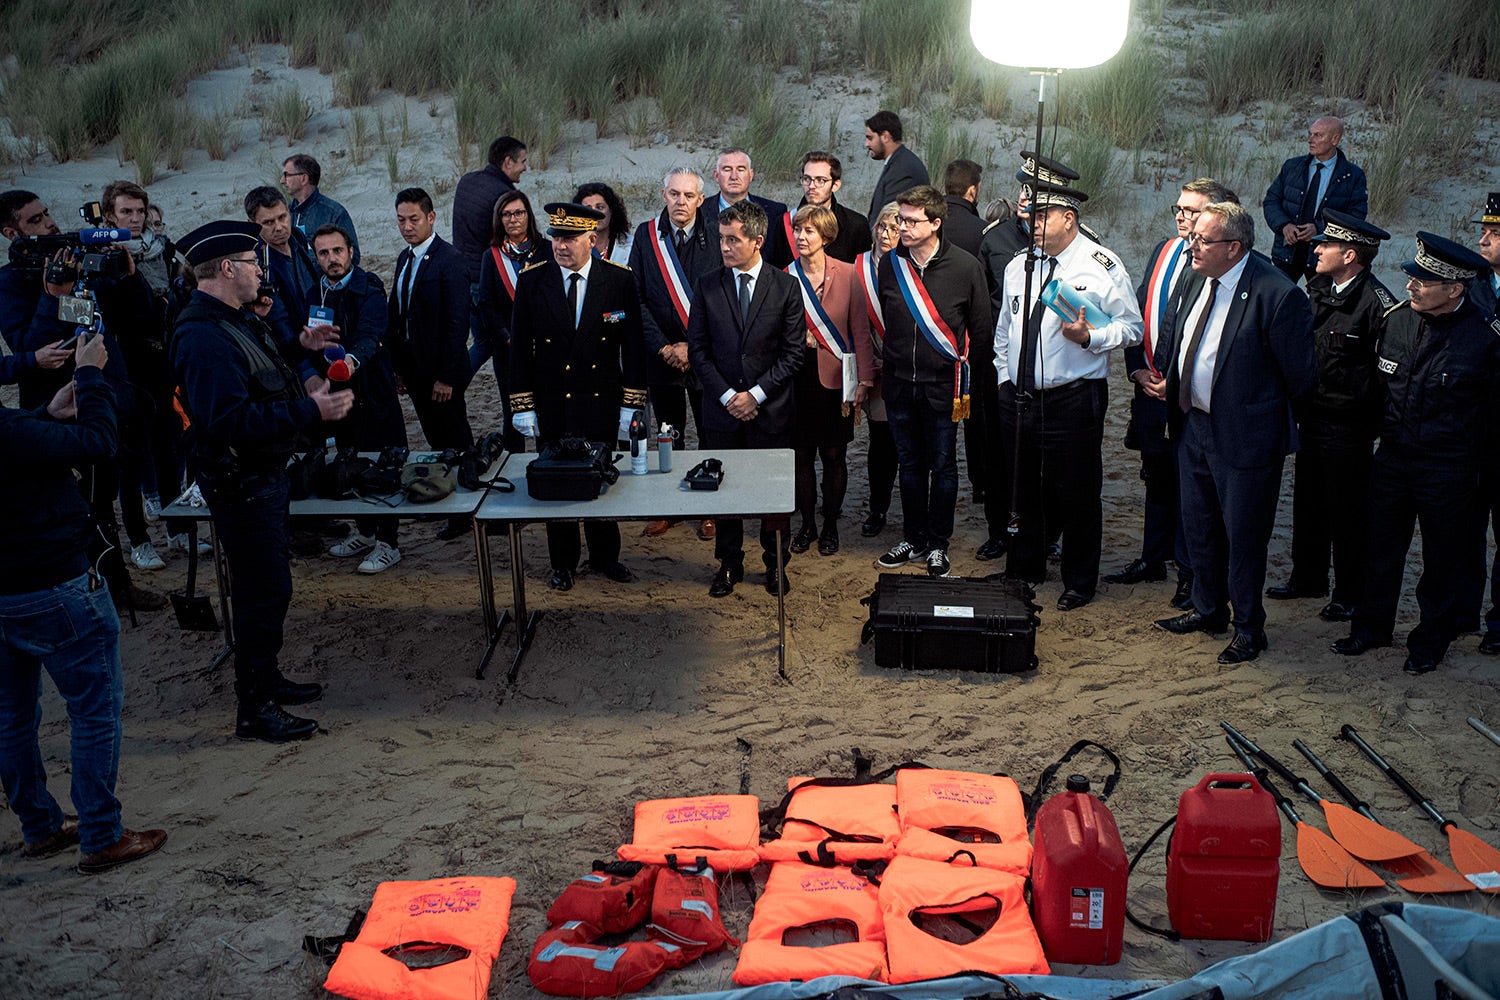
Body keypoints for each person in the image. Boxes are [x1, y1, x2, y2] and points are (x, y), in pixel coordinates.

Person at [171, 219, 354, 741]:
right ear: (227, 268)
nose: (260, 273)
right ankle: (254, 707)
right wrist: (310, 410)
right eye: (253, 264)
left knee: (270, 589)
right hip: (240, 483)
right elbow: (228, 421)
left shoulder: (233, 319)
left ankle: (268, 681)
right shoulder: (203, 336)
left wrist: (299, 340)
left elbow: (264, 373)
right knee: (261, 594)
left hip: (262, 478)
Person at [0, 330, 169, 874]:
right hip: (52, 584)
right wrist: (92, 376)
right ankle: (101, 834)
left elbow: (24, 440)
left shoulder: (14, 430)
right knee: (94, 709)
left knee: (11, 717)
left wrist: (48, 415)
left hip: (8, 592)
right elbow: (99, 443)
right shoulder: (7, 430)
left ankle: (41, 826)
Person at [1154, 202, 1316, 663]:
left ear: (1234, 247)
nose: (1191, 245)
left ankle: (1249, 627)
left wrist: (1259, 419)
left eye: (1202, 240)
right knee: (1199, 527)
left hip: (1246, 441)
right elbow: (1179, 332)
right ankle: (1208, 609)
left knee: (1243, 538)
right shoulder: (1193, 275)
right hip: (1193, 425)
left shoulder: (1277, 295)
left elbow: (1301, 378)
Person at [1333, 233, 1500, 675]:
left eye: (1423, 281)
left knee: (1443, 560)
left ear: (1455, 289)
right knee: (1380, 548)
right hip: (1392, 460)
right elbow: (1375, 391)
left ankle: (1431, 641)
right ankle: (1371, 628)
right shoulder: (1397, 321)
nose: (1411, 286)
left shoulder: (1484, 339)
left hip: (1448, 468)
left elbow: (1492, 418)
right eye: (1412, 276)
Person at [992, 178, 1142, 610]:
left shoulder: (1102, 265)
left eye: (1042, 217)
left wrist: (1090, 336)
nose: (1032, 223)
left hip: (1073, 397)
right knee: (1022, 488)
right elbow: (1006, 328)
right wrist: (1004, 376)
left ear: (1068, 219)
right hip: (1020, 396)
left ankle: (1079, 580)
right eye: (1030, 216)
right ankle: (1025, 568)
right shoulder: (1020, 264)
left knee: (1075, 490)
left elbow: (1132, 328)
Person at [1108, 178, 1234, 608]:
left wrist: (1174, 382)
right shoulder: (1164, 250)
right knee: (1156, 476)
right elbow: (1141, 312)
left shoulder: (1219, 266)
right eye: (1178, 209)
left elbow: (1210, 340)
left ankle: (1190, 574)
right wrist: (1138, 369)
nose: (1181, 216)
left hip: (1186, 396)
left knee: (1191, 487)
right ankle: (1153, 558)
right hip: (1151, 387)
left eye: (1192, 210)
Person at [509, 203, 648, 591]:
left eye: (569, 239)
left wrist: (630, 404)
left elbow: (633, 348)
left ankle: (606, 557)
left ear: (592, 238)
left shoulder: (618, 281)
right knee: (558, 487)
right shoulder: (533, 281)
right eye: (555, 238)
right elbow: (519, 348)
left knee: (601, 480)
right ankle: (563, 563)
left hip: (600, 401)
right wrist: (523, 405)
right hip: (554, 402)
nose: (560, 246)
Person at [1265, 209, 1394, 619]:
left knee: (1348, 512)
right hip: (1314, 418)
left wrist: (1366, 425)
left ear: (1350, 255)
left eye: (1327, 244)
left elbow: (1384, 377)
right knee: (1309, 502)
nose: (1317, 249)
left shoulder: (1377, 305)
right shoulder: (1319, 288)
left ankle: (1349, 592)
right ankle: (1308, 577)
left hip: (1350, 427)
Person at [686, 200, 804, 597]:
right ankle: (730, 564)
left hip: (770, 411)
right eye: (721, 238)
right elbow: (697, 350)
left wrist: (754, 395)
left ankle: (774, 565)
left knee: (772, 495)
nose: (724, 247)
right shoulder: (706, 285)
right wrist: (727, 397)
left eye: (733, 239)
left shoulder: (786, 287)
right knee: (726, 493)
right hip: (721, 412)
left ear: (757, 240)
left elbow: (793, 355)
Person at [875, 185, 989, 578]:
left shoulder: (965, 266)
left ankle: (939, 544)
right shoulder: (890, 264)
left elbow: (980, 330)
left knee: (942, 467)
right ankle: (914, 537)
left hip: (943, 387)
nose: (901, 227)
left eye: (910, 221)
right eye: (899, 220)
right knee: (909, 464)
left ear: (936, 224)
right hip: (899, 384)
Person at [974, 151, 1076, 563]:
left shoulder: (1078, 248)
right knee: (999, 460)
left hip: (1056, 377)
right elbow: (984, 306)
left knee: (1051, 468)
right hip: (1006, 371)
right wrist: (997, 371)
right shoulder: (995, 239)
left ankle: (1049, 534)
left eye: (1035, 192)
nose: (1024, 197)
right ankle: (1000, 532)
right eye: (1022, 187)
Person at [629, 167, 722, 541]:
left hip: (704, 356)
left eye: (688, 196)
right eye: (673, 194)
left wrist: (691, 348)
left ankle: (709, 508)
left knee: (710, 434)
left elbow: (722, 298)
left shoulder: (717, 233)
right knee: (669, 434)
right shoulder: (646, 235)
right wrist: (664, 346)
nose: (680, 202)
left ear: (701, 199)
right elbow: (635, 297)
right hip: (661, 356)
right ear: (663, 194)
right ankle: (671, 507)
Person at [311, 224, 408, 575]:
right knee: (349, 461)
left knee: (384, 466)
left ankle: (389, 543)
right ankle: (365, 532)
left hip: (374, 392)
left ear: (351, 251)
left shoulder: (369, 288)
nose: (332, 259)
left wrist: (350, 361)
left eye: (337, 251)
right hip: (340, 399)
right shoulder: (316, 292)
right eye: (324, 253)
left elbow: (371, 333)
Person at [786, 204, 873, 557]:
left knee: (835, 455)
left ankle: (831, 524)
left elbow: (860, 330)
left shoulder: (849, 273)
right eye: (798, 230)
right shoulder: (784, 275)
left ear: (826, 236)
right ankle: (807, 524)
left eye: (809, 231)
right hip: (798, 379)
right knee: (802, 456)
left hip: (838, 379)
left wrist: (865, 379)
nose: (801, 237)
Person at [389, 188, 474, 540]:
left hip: (442, 374)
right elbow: (399, 315)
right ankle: (444, 496)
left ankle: (467, 509)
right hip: (414, 370)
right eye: (401, 220)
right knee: (435, 440)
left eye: (414, 219)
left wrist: (447, 377)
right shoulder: (404, 259)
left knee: (455, 438)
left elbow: (458, 324)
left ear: (431, 217)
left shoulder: (450, 260)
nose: (407, 227)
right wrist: (397, 368)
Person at [476, 189, 552, 453]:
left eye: (519, 212)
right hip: (508, 349)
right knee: (513, 413)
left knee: (546, 411)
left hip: (546, 347)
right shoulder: (492, 256)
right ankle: (513, 464)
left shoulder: (548, 250)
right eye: (506, 214)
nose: (513, 219)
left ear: (528, 215)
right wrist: (508, 337)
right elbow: (486, 303)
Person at [1263, 116, 1367, 282]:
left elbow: (1356, 216)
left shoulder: (1352, 176)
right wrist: (1284, 225)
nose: (1310, 140)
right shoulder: (1292, 167)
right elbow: (1271, 202)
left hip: (1325, 255)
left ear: (1335, 139)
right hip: (1287, 251)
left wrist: (1319, 229)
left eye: (1318, 135)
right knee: (1279, 301)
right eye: (1310, 134)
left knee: (1320, 305)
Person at [856, 203, 901, 538]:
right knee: (881, 443)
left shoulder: (910, 265)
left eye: (896, 228)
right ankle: (878, 507)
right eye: (883, 226)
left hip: (909, 370)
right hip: (875, 370)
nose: (887, 234)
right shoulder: (858, 267)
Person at [1470, 194, 1500, 653]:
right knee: (1464, 528)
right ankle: (1461, 614)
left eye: (1494, 235)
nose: (1483, 240)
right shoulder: (1471, 282)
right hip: (1471, 429)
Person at [452, 136, 528, 284]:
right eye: (522, 162)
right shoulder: (505, 196)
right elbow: (515, 242)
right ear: (508, 162)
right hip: (486, 278)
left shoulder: (466, 181)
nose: (525, 168)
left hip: (460, 274)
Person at [245, 185, 320, 326]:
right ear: (252, 224)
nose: (279, 227)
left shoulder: (297, 238)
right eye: (268, 222)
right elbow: (276, 318)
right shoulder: (255, 265)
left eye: (282, 217)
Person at [709, 148, 793, 268]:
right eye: (727, 169)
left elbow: (781, 263)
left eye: (741, 169)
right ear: (716, 176)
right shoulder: (699, 211)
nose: (734, 176)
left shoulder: (775, 212)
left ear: (751, 175)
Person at [795, 152, 871, 264]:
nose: (811, 186)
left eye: (820, 180)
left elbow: (862, 273)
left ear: (835, 185)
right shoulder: (785, 223)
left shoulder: (856, 225)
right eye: (807, 179)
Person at [282, 153, 359, 262]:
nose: (282, 180)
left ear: (304, 178)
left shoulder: (334, 213)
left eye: (287, 175)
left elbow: (353, 256)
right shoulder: (284, 214)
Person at [864, 110, 930, 230]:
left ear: (885, 136)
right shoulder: (898, 162)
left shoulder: (902, 168)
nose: (866, 144)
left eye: (870, 138)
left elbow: (889, 216)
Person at [574, 182, 632, 265]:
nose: (594, 213)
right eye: (588, 208)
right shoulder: (572, 247)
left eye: (600, 207)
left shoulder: (631, 245)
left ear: (611, 211)